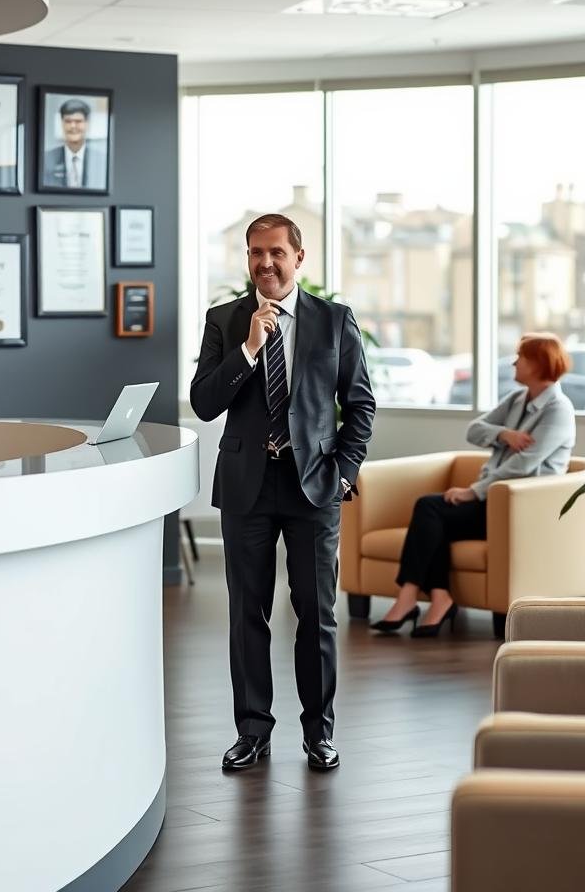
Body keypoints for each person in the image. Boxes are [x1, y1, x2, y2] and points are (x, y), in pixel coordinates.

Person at [190, 214, 375, 772]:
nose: (264, 263)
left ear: (298, 258)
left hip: (313, 486)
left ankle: (319, 732)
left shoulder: (334, 321)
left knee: (315, 613)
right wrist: (247, 350)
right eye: (254, 253)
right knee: (247, 612)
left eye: (275, 252)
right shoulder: (225, 320)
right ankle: (252, 731)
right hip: (247, 484)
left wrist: (342, 473)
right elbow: (203, 402)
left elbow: (360, 407)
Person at [371, 332, 576, 638]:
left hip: (519, 508)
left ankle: (412, 598)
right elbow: (474, 430)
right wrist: (504, 434)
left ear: (538, 364)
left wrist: (472, 492)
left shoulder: (558, 409)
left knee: (430, 508)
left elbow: (523, 465)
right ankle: (437, 598)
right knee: (433, 516)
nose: (514, 363)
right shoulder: (518, 399)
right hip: (491, 500)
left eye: (521, 357)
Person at [42, 97, 107, 189]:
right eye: (68, 121)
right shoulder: (46, 160)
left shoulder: (101, 160)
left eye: (78, 121)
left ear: (87, 124)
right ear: (62, 124)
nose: (73, 126)